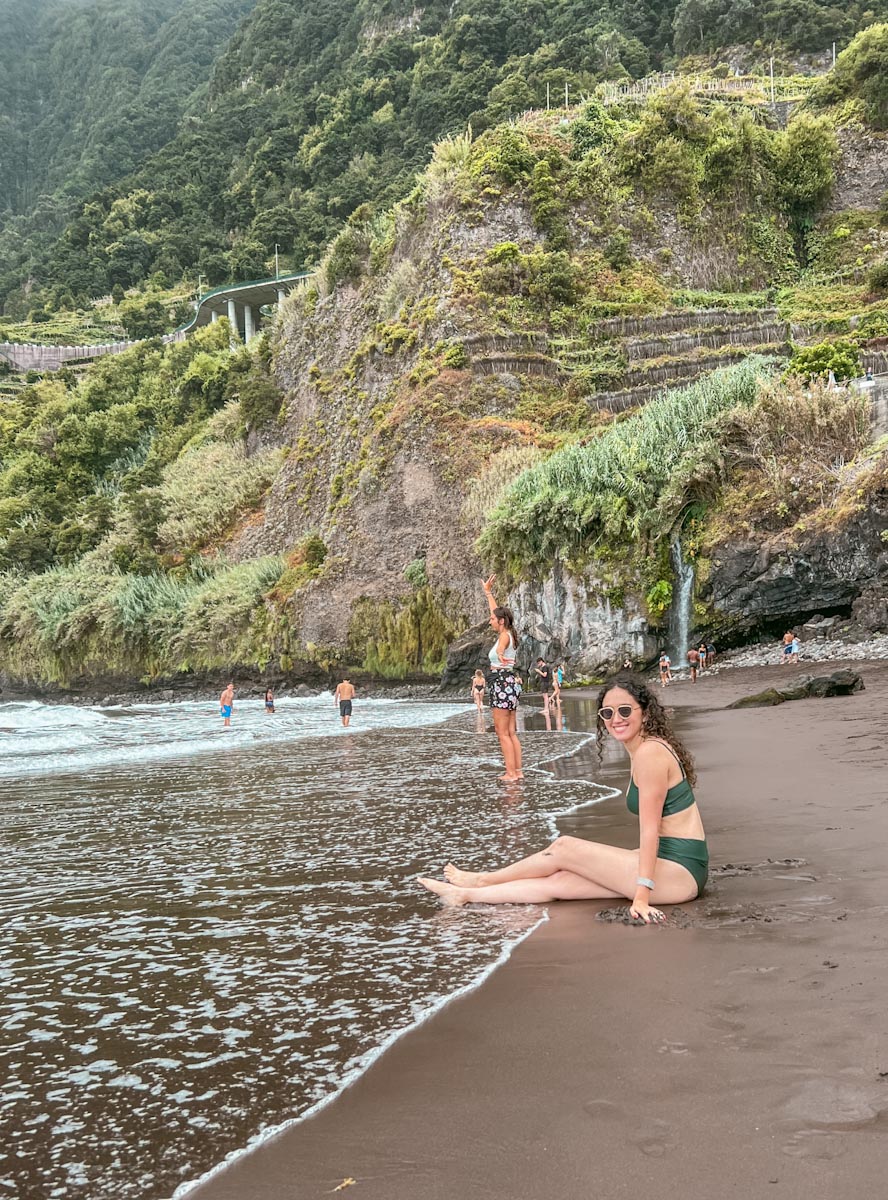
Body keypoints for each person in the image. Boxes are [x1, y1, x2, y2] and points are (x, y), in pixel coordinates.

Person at [419, 673, 708, 922]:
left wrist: (641, 897)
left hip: (680, 872)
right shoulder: (643, 748)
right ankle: (465, 894)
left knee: (564, 848)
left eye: (624, 710)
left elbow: (649, 832)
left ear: (644, 712)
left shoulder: (650, 754)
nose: (615, 719)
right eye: (607, 713)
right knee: (561, 883)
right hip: (670, 865)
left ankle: (483, 878)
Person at [482, 575, 522, 781]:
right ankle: (518, 771)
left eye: (492, 619)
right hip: (510, 684)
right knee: (511, 731)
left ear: (501, 621)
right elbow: (495, 612)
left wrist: (498, 653)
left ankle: (511, 773)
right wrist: (488, 592)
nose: (490, 621)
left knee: (502, 732)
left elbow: (501, 646)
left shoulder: (505, 636)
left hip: (502, 683)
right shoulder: (510, 632)